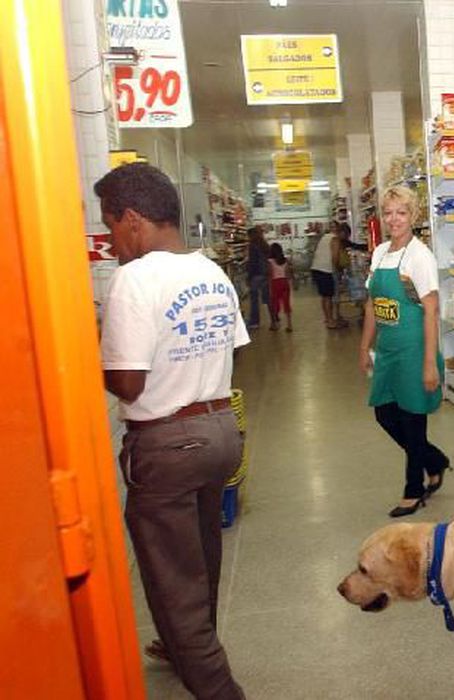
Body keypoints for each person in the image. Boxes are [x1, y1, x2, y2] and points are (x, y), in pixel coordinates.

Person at [95, 163, 248, 700]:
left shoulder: (136, 278)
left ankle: (216, 685)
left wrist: (87, 352)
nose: (112, 241)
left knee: (169, 574)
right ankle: (183, 641)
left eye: (111, 226)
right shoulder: (211, 272)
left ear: (133, 219)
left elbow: (130, 384)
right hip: (221, 429)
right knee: (201, 554)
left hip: (167, 441)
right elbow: (231, 348)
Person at [359, 185, 451, 518]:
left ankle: (414, 489)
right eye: (388, 212)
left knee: (413, 422)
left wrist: (430, 364)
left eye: (401, 212)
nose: (394, 219)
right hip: (388, 349)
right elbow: (372, 303)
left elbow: (431, 311)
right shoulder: (380, 252)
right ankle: (435, 459)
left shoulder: (420, 256)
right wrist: (363, 345)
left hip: (414, 348)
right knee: (384, 413)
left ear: (413, 216)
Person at [310, 224, 342, 328]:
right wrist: (338, 269)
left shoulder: (325, 237)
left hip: (316, 268)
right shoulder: (335, 239)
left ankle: (327, 318)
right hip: (325, 270)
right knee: (328, 296)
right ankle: (330, 321)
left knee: (324, 296)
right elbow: (335, 257)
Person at [244, 226, 269, 329]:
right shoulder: (265, 245)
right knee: (268, 299)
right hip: (265, 275)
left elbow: (253, 263)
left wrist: (249, 277)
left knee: (254, 300)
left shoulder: (252, 246)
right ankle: (274, 320)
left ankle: (254, 321)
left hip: (255, 275)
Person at [268, 242, 293, 332]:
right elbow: (288, 274)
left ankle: (275, 324)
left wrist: (270, 287)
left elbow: (270, 275)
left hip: (275, 283)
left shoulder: (270, 262)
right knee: (286, 304)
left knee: (275, 304)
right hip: (285, 282)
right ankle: (289, 324)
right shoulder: (285, 261)